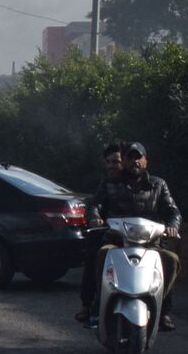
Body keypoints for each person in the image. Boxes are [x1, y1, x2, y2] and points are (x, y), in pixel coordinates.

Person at [78, 140, 182, 331]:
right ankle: (97, 304)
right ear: (124, 161)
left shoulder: (158, 185)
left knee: (171, 260)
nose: (135, 161)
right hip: (116, 241)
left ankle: (163, 309)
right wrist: (95, 217)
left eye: (138, 157)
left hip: (151, 243)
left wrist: (172, 226)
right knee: (101, 254)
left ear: (145, 162)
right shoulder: (109, 184)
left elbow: (172, 211)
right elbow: (95, 205)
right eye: (130, 157)